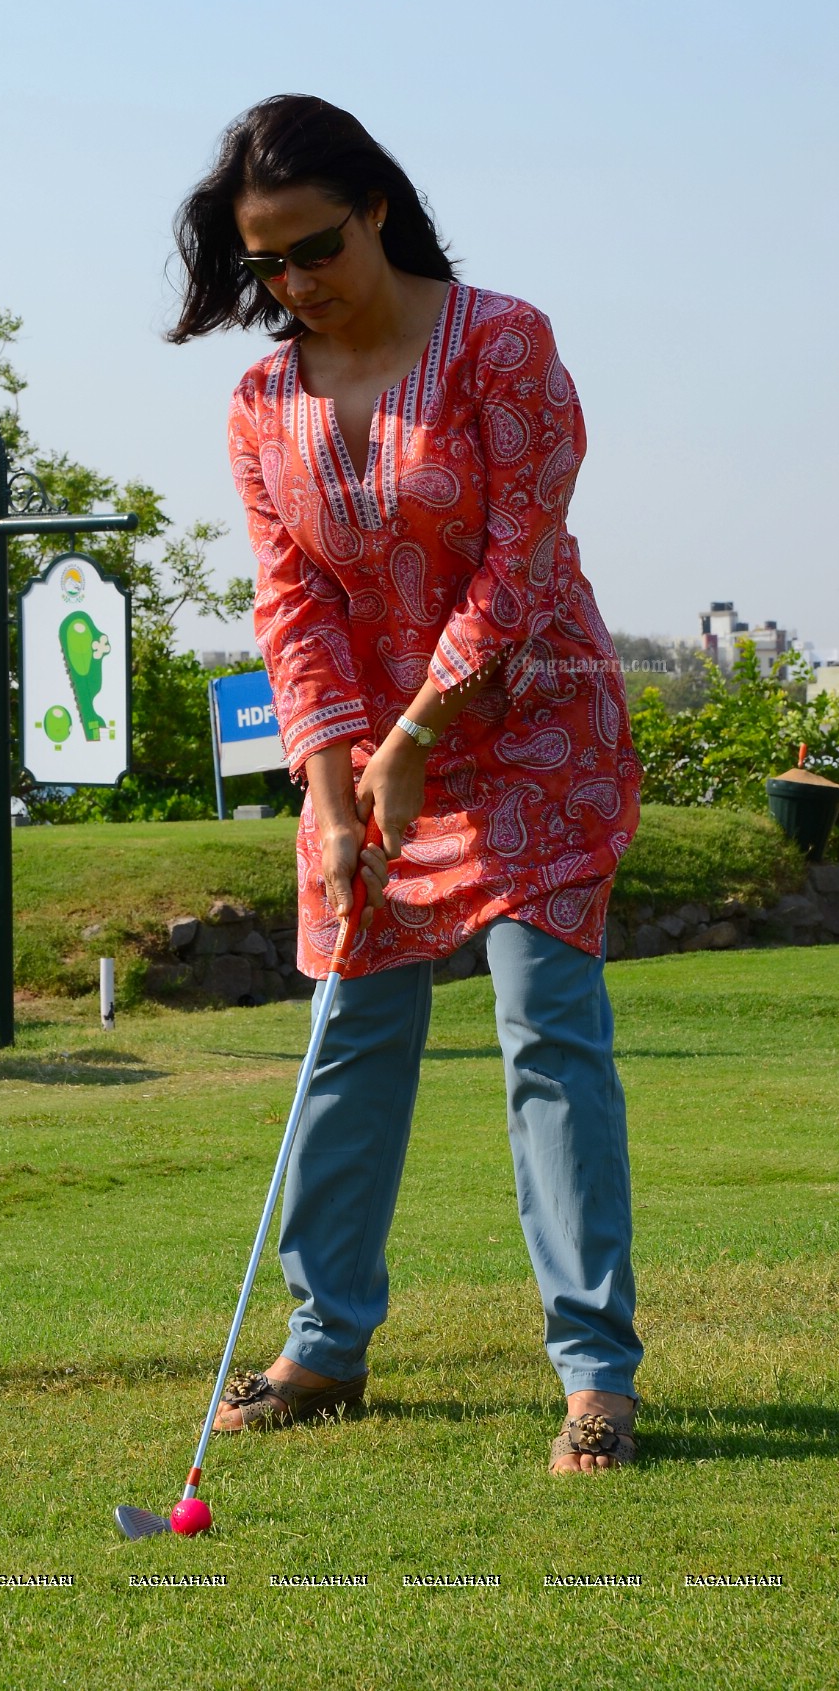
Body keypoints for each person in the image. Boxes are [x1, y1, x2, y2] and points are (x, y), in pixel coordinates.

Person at [169, 96, 644, 1473]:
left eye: (315, 248)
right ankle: (324, 1346)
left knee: (547, 1030)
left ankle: (595, 1377)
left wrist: (426, 728)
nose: (294, 285)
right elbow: (292, 605)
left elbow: (527, 555)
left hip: (530, 732)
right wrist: (327, 789)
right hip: (365, 758)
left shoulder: (502, 341)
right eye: (267, 265)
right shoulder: (263, 401)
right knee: (350, 1035)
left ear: (376, 206)